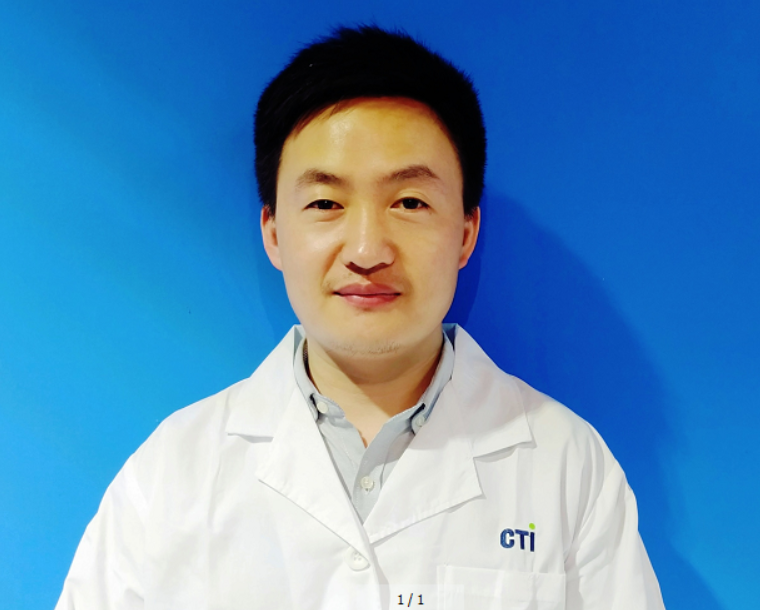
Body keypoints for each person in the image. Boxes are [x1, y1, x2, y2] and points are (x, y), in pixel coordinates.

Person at [56, 26, 665, 609]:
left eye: (409, 202)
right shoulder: (173, 473)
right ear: (273, 232)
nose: (368, 250)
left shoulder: (565, 466)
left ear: (465, 232)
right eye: (326, 202)